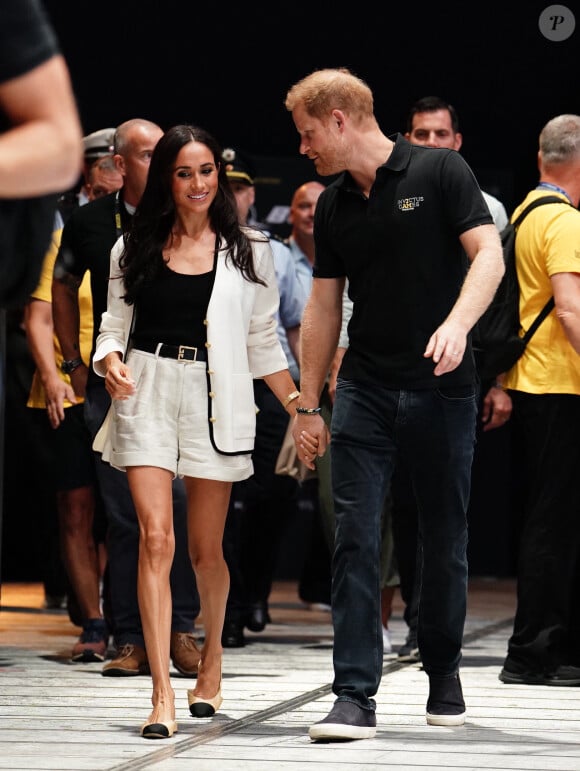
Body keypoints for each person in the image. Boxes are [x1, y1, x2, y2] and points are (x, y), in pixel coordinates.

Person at [284, 67, 504, 740]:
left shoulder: (439, 173)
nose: (303, 148)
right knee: (353, 533)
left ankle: (442, 667)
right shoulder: (332, 203)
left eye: (308, 133)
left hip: (441, 389)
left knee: (440, 538)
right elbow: (323, 305)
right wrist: (308, 402)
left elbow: (488, 255)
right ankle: (354, 692)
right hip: (365, 389)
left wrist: (459, 324)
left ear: (341, 120)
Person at [91, 123, 307, 739]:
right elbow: (113, 324)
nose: (197, 183)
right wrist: (109, 362)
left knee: (206, 551)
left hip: (220, 394)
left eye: (206, 170)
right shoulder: (131, 245)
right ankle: (161, 693)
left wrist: (298, 406)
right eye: (183, 172)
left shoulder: (251, 250)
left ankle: (210, 664)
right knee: (155, 540)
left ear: (220, 175)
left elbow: (263, 341)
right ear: (166, 177)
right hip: (149, 390)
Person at [52, 118, 202, 678]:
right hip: (114, 381)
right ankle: (130, 638)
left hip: (182, 382)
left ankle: (181, 630)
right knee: (124, 517)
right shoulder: (92, 222)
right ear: (118, 163)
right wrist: (73, 359)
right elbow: (62, 287)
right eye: (146, 155)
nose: (159, 163)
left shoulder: (188, 216)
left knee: (179, 509)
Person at [392, 95, 515, 661]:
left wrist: (499, 380)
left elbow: (504, 303)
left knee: (449, 506)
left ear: (458, 142)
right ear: (406, 139)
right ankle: (417, 623)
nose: (433, 144)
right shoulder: (385, 193)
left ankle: (439, 629)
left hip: (463, 370)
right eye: (422, 134)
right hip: (392, 367)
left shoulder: (490, 209)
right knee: (403, 505)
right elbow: (362, 289)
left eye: (442, 134)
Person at [498, 114, 580, 687]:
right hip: (558, 383)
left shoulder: (526, 211)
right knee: (553, 525)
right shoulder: (565, 221)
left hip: (533, 382)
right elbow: (570, 308)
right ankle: (533, 654)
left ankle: (549, 648)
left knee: (550, 522)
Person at [220, 149, 307, 648]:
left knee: (273, 497)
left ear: (252, 194)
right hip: (223, 382)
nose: (233, 196)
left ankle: (255, 591)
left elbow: (294, 326)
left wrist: (304, 398)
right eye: (224, 185)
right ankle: (229, 612)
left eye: (240, 188)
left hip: (272, 384)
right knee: (225, 499)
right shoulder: (199, 246)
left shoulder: (271, 251)